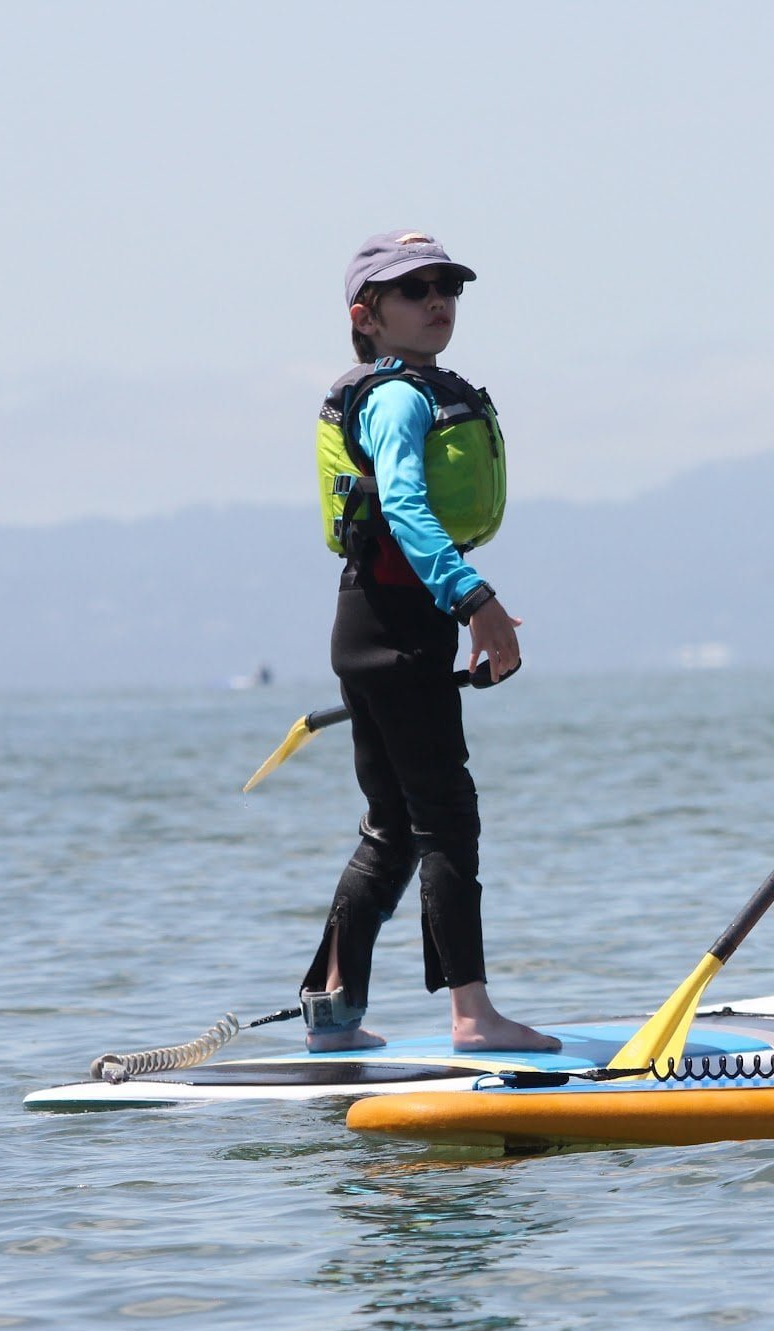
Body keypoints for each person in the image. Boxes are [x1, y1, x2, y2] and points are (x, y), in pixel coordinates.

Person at [298, 230, 558, 1054]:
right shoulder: (399, 398)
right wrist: (474, 599)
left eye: (447, 286)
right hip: (399, 627)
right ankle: (473, 1015)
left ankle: (331, 1010)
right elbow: (406, 509)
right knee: (446, 819)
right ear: (365, 317)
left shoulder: (404, 389)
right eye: (414, 291)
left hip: (369, 622)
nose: (437, 300)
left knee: (393, 825)